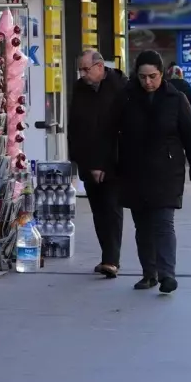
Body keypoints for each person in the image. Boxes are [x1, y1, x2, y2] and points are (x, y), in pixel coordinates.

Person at [115, 51, 191, 294]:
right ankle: (149, 273)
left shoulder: (176, 99)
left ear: (162, 74)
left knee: (164, 224)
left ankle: (167, 274)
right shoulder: (126, 98)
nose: (148, 82)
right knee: (142, 226)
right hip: (134, 171)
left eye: (152, 76)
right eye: (143, 77)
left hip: (167, 171)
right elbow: (112, 133)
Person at [68, 50, 125, 278]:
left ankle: (112, 260)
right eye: (80, 70)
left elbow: (117, 131)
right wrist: (86, 162)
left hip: (113, 162)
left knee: (112, 209)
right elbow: (77, 128)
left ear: (100, 67)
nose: (82, 74)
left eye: (86, 69)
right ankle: (106, 256)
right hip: (88, 162)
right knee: (98, 212)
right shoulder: (80, 88)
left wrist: (104, 164)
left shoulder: (120, 87)